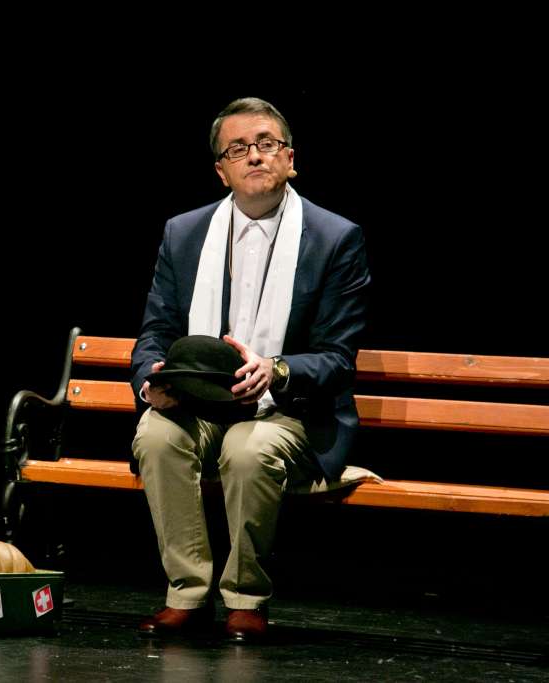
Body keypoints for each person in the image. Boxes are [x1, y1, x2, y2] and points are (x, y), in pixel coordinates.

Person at [131, 97, 371, 641]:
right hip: (200, 404)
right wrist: (151, 381)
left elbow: (337, 357)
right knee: (156, 434)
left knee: (247, 448)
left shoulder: (335, 238)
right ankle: (186, 593)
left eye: (267, 144)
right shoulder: (184, 233)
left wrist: (277, 370)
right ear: (222, 171)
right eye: (238, 149)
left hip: (288, 410)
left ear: (291, 159)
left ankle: (245, 596)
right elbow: (155, 330)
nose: (255, 156)